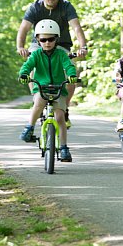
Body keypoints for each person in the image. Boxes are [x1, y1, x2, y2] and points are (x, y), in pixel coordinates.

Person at [16, 0, 88, 123]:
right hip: (40, 43)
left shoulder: (66, 6)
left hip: (62, 44)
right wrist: (20, 47)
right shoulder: (35, 7)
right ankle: (37, 97)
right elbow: (24, 28)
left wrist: (83, 46)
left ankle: (64, 108)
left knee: (70, 72)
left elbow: (76, 27)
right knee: (32, 65)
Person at [18, 19, 78, 162]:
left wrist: (71, 75)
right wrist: (24, 74)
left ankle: (64, 148)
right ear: (38, 40)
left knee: (60, 118)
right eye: (43, 39)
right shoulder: (36, 55)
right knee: (38, 101)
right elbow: (27, 66)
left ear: (56, 39)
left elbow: (68, 65)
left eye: (51, 39)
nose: (47, 42)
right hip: (41, 87)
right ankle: (29, 128)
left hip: (58, 88)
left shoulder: (61, 54)